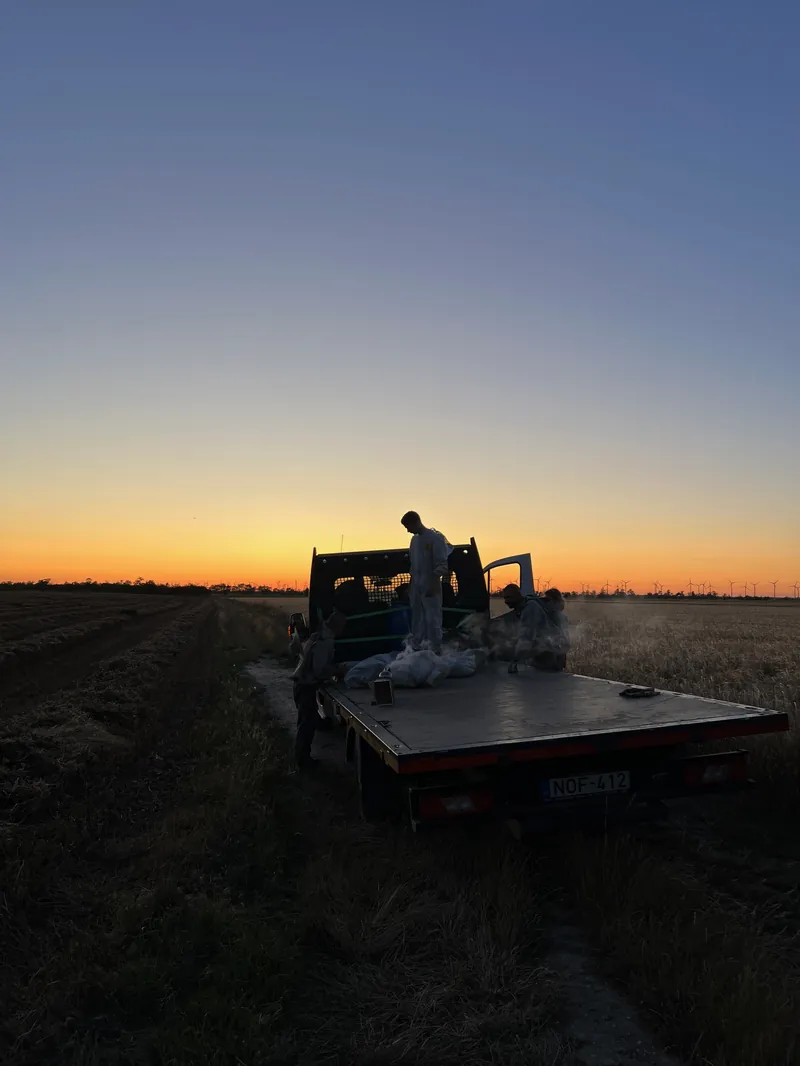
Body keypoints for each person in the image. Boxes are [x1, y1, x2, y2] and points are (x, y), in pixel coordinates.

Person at [289, 610, 347, 770]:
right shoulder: (324, 642)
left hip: (302, 684)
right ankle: (303, 762)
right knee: (306, 726)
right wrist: (337, 670)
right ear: (337, 626)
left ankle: (302, 758)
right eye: (343, 626)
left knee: (308, 721)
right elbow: (320, 669)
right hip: (306, 686)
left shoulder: (317, 636)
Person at [401, 511, 453, 653]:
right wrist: (411, 586)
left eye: (408, 526)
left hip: (430, 585)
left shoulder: (435, 539)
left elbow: (442, 565)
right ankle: (419, 647)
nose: (407, 530)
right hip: (417, 586)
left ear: (415, 522)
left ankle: (435, 649)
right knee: (417, 618)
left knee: (432, 618)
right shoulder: (414, 541)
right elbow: (414, 567)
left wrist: (432, 584)